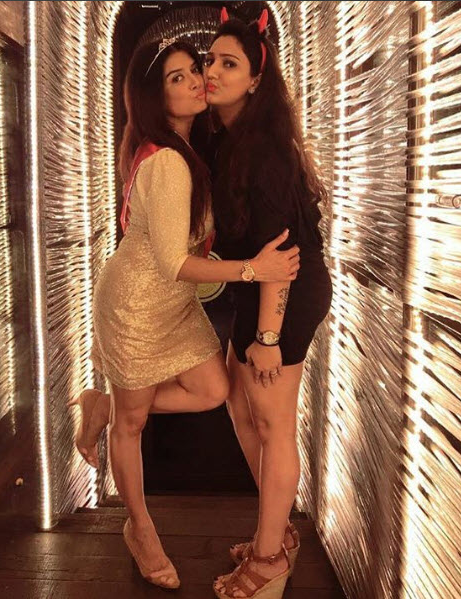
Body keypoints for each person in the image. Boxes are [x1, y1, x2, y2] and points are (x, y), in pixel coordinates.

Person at [67, 38, 301, 590]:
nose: (198, 79)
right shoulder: (169, 160)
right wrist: (256, 270)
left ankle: (106, 405)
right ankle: (140, 527)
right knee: (133, 425)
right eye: (178, 77)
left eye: (196, 69)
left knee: (214, 389)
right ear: (154, 96)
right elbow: (175, 263)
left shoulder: (185, 147)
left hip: (172, 305)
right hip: (137, 306)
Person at [205, 8, 333, 599]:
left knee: (273, 422)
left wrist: (269, 339)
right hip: (258, 290)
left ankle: (269, 561)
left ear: (256, 80)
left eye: (229, 64)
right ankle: (274, 532)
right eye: (210, 60)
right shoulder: (228, 140)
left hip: (287, 296)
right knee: (240, 404)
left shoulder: (265, 150)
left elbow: (282, 254)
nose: (212, 71)